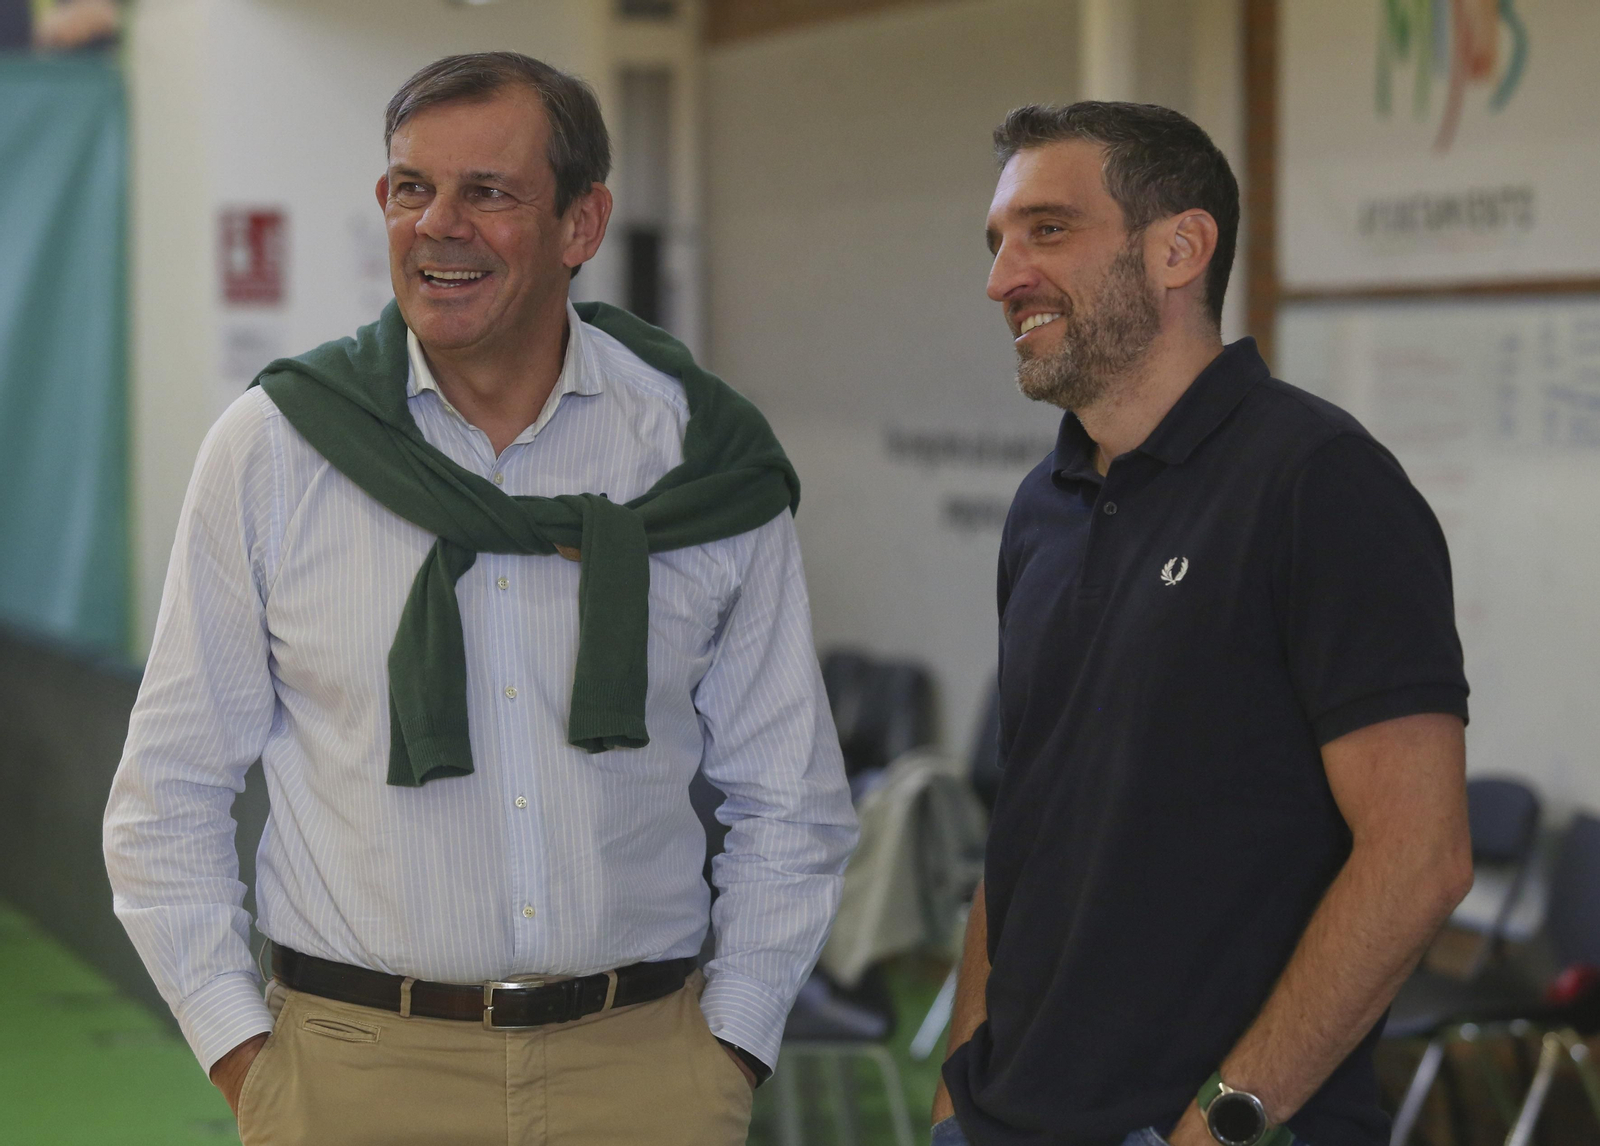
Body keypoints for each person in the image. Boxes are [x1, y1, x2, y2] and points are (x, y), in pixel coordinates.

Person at [104, 52, 857, 1146]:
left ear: (581, 224)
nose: (438, 225)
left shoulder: (700, 460)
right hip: (356, 1072)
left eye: (488, 193)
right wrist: (250, 1062)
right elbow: (164, 795)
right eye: (413, 188)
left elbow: (790, 797)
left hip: (642, 1073)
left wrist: (726, 1051)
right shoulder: (276, 452)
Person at [930, 102, 1473, 1146]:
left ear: (1180, 247)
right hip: (1003, 1119)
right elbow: (1029, 829)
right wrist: (962, 1080)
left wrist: (1223, 1123)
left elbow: (1419, 855)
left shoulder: (1320, 483)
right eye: (997, 242)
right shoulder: (1043, 506)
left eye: (1047, 230)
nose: (1002, 278)